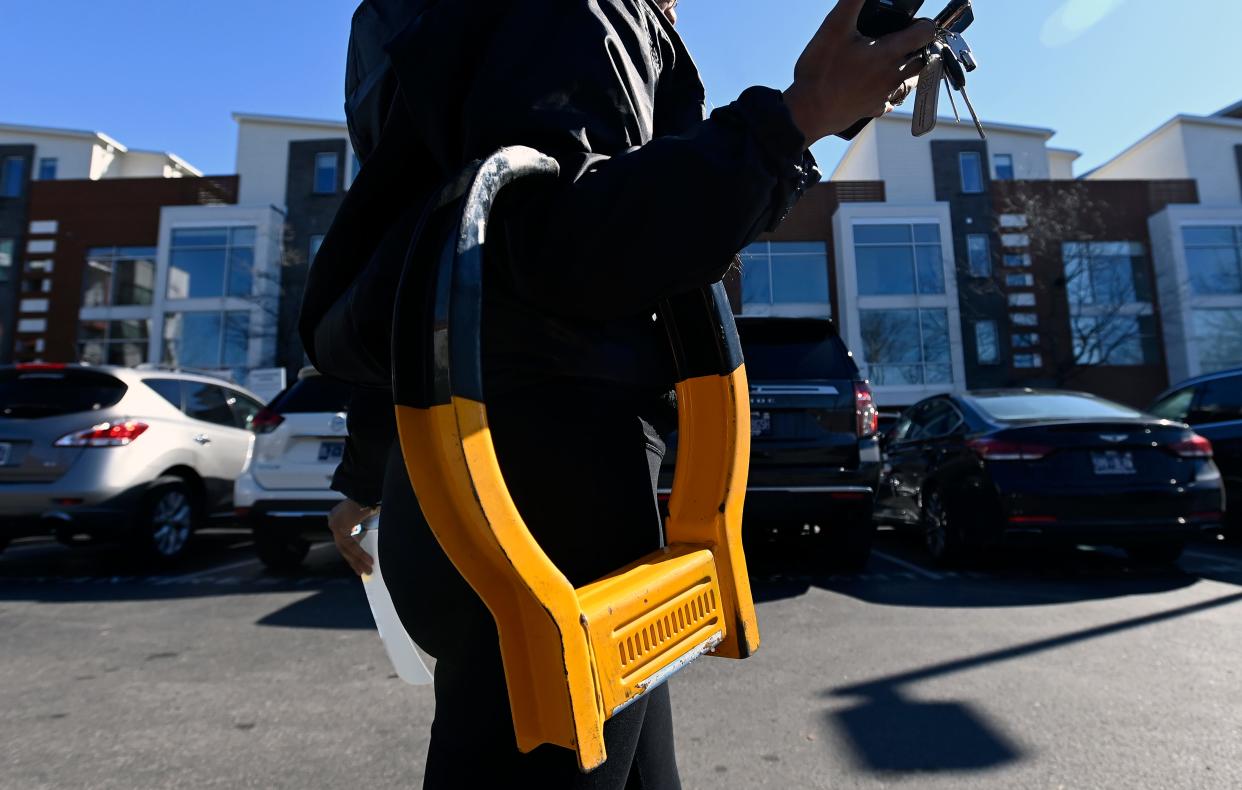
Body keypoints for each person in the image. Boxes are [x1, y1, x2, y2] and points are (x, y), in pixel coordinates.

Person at [303, 1, 935, 786]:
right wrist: (800, 115)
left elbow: (423, 259)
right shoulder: (587, 9)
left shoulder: (421, 22)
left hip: (453, 481)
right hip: (557, 495)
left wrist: (368, 473)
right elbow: (565, 247)